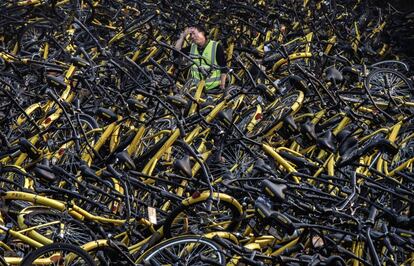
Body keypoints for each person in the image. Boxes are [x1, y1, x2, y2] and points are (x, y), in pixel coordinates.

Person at [174, 24, 227, 92]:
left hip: (212, 88)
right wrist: (182, 36)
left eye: (194, 33)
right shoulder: (192, 47)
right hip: (195, 88)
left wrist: (222, 86)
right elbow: (176, 52)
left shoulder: (216, 46)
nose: (192, 36)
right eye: (190, 34)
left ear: (202, 33)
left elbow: (223, 67)